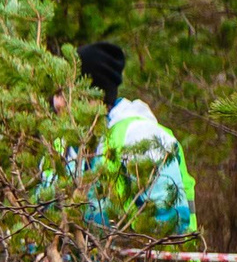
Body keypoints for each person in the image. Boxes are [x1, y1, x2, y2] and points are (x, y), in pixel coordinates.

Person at [56, 41, 198, 238]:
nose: (58, 103)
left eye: (66, 92)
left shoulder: (141, 136)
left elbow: (171, 225)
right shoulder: (68, 145)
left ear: (94, 95)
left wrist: (107, 236)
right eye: (57, 93)